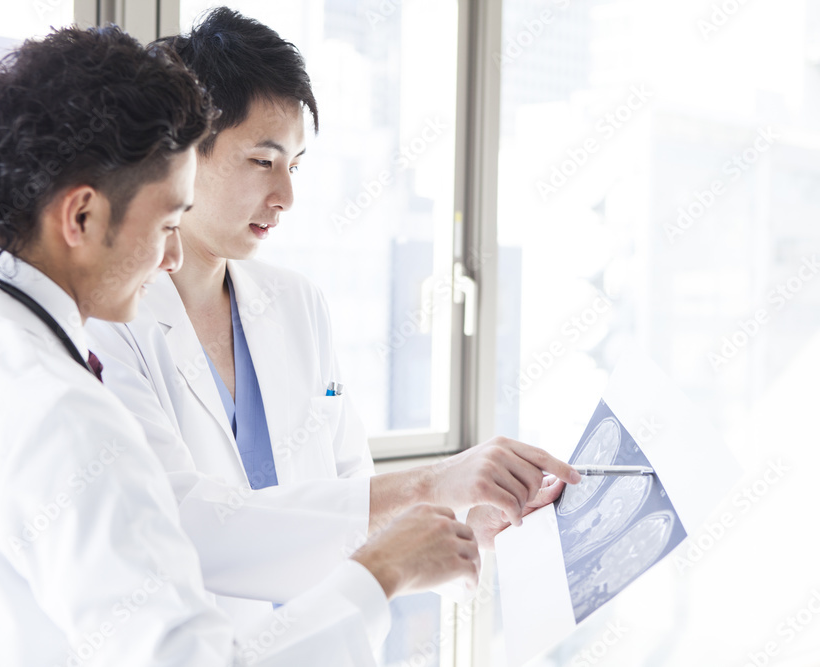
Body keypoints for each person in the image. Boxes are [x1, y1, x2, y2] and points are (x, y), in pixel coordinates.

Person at [0, 26, 482, 666]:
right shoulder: (61, 412)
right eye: (167, 222)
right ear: (82, 217)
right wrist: (379, 574)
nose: (173, 255)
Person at [86, 7, 580, 625]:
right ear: (185, 153)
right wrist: (434, 481)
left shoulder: (299, 304)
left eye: (294, 167)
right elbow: (183, 524)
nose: (286, 196)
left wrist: (469, 526)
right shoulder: (109, 322)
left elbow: (350, 501)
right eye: (263, 162)